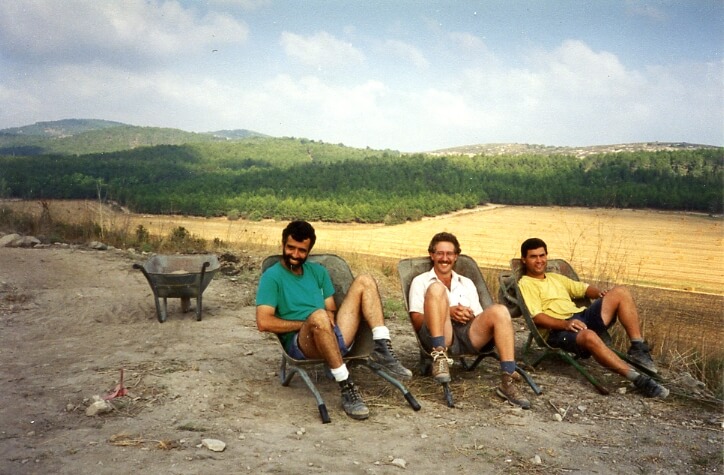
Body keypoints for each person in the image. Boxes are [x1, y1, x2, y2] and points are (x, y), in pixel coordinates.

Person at [256, 220, 412, 420]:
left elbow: (330, 308)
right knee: (318, 316)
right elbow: (264, 322)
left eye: (301, 250)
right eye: (290, 248)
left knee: (365, 280)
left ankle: (382, 348)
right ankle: (346, 386)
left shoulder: (318, 272)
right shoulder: (272, 277)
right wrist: (309, 323)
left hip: (330, 332)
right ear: (283, 245)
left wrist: (327, 319)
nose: (295, 255)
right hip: (302, 343)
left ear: (309, 250)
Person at [517, 237, 668, 399]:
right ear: (524, 260)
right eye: (533, 257)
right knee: (588, 335)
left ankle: (638, 348)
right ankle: (638, 380)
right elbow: (537, 318)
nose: (539, 261)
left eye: (542, 255)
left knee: (621, 292)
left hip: (581, 318)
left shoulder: (555, 278)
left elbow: (583, 289)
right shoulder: (525, 284)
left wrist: (599, 294)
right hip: (558, 330)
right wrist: (565, 324)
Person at [408, 232, 531, 409]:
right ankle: (440, 357)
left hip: (468, 335)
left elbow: (480, 316)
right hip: (440, 335)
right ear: (432, 255)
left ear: (456, 256)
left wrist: (468, 315)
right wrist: (448, 312)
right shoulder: (421, 281)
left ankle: (508, 378)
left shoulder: (466, 282)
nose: (444, 258)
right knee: (436, 289)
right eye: (440, 253)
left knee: (500, 310)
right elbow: (416, 320)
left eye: (449, 253)